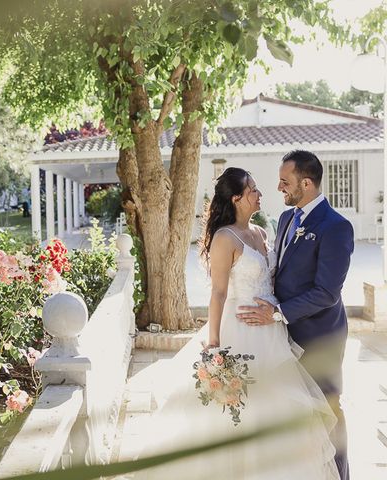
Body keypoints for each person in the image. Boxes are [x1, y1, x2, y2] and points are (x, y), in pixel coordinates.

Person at [132, 166, 341, 479]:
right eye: (253, 190)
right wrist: (214, 345)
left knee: (277, 406)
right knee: (237, 410)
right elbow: (217, 293)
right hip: (240, 331)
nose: (260, 194)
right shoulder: (224, 237)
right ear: (237, 199)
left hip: (272, 332)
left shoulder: (261, 232)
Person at [236, 150, 353, 480]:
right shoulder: (287, 219)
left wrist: (277, 313)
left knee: (327, 409)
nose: (279, 188)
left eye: (285, 182)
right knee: (298, 410)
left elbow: (327, 292)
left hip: (320, 337)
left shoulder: (336, 227)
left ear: (307, 183)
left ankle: (340, 475)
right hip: (282, 336)